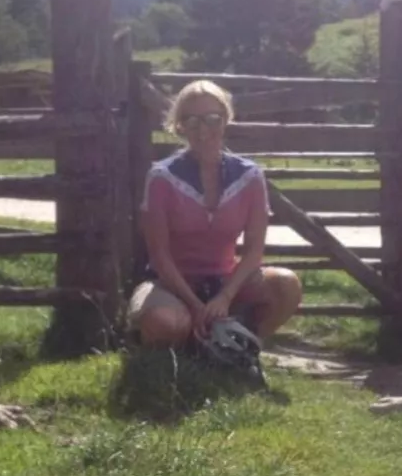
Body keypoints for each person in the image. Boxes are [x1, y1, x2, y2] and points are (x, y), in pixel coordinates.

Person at [128, 79, 303, 349]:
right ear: (179, 126)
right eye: (192, 121)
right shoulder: (162, 177)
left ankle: (243, 347)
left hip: (226, 281)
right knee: (167, 323)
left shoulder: (249, 177)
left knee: (286, 285)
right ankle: (183, 350)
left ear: (225, 121)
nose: (203, 131)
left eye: (212, 119)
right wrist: (196, 305)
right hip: (171, 284)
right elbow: (159, 256)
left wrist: (224, 297)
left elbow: (255, 250)